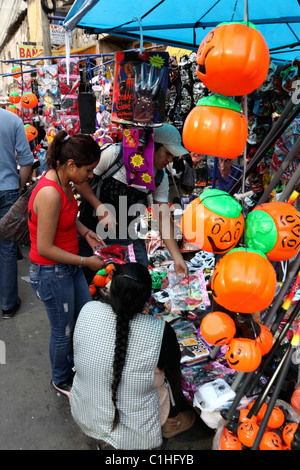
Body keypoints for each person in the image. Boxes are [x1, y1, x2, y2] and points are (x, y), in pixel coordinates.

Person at [70, 262, 195, 450]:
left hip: (85, 413)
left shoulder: (88, 309)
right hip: (137, 436)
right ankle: (172, 422)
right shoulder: (159, 331)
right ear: (146, 300)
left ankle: (104, 437)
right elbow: (173, 370)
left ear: (110, 288)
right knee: (166, 375)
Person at [28, 130, 106, 397]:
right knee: (63, 330)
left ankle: (75, 367)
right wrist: (86, 261)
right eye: (88, 170)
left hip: (68, 268)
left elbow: (68, 218)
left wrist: (85, 232)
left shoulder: (63, 183)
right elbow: (44, 248)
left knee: (84, 320)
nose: (90, 176)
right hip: (52, 273)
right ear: (71, 165)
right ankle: (60, 378)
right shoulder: (50, 192)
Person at [77, 123, 189, 284]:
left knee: (138, 283)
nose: (170, 159)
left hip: (125, 235)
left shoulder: (160, 178)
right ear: (151, 146)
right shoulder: (115, 155)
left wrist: (177, 258)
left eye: (173, 155)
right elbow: (80, 181)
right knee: (88, 284)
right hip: (89, 233)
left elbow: (163, 218)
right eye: (167, 153)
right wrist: (99, 207)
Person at [0, 107, 34, 319]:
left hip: (9, 189)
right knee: (7, 250)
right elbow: (26, 160)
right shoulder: (12, 119)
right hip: (8, 190)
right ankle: (8, 305)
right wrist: (19, 186)